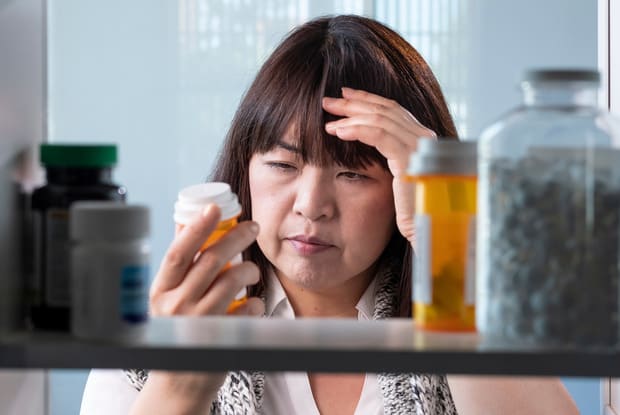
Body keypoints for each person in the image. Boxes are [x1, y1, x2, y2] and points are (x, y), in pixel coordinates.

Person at [80, 14, 579, 415]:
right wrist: (181, 379)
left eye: (353, 174)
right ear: (243, 172)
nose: (310, 205)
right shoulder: (153, 340)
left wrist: (442, 230)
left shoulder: (472, 313)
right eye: (282, 164)